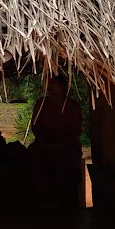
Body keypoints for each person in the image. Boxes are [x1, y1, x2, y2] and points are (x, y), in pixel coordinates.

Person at [27, 73, 84, 209]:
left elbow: (75, 131)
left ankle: (57, 198)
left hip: (67, 145)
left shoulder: (72, 106)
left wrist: (60, 145)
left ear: (62, 86)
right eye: (48, 83)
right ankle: (44, 197)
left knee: (66, 160)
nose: (49, 86)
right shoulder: (41, 104)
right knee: (33, 155)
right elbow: (36, 127)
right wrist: (45, 143)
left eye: (53, 83)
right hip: (44, 144)